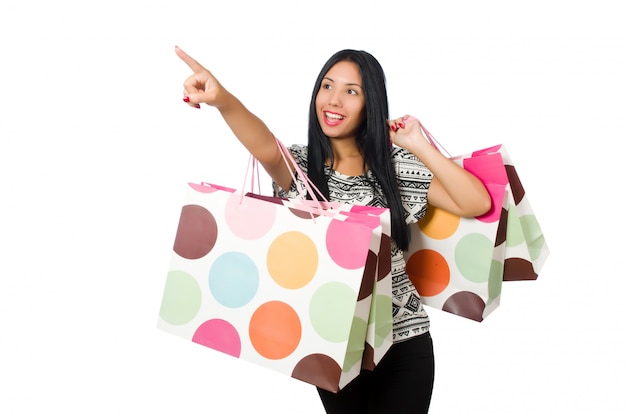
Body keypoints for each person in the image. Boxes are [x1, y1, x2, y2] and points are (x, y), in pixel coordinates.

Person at [175, 45, 491, 413]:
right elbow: (264, 146)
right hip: (334, 344)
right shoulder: (300, 168)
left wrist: (416, 143)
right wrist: (223, 99)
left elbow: (476, 203)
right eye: (327, 86)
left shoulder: (395, 167)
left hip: (405, 343)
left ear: (370, 104)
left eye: (351, 91)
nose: (334, 100)